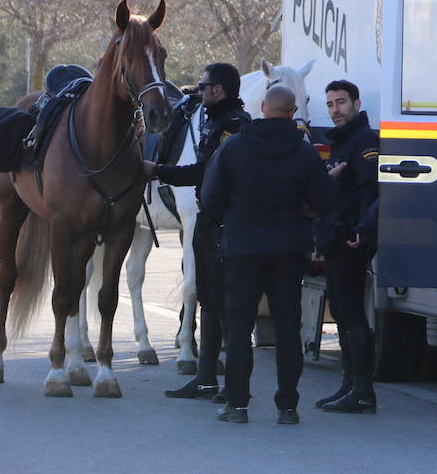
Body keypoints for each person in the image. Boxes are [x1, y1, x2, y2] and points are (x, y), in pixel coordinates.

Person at [201, 84, 332, 424]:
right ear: (292, 113)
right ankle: (287, 407)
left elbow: (210, 197)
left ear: (262, 107)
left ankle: (238, 404)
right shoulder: (304, 154)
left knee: (239, 327)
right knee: (288, 329)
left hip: (242, 247)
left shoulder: (234, 148)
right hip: (289, 248)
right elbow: (323, 202)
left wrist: (231, 219)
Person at [142, 62, 251, 401]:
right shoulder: (216, 120)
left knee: (227, 309)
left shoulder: (233, 126)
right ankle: (205, 379)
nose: (197, 91)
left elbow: (206, 170)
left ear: (217, 90)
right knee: (209, 300)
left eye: (202, 86)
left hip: (224, 226)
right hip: (209, 223)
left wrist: (158, 170)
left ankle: (234, 388)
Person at [313, 79, 381, 414]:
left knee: (352, 312)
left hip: (350, 237)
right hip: (334, 235)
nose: (335, 110)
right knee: (340, 310)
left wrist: (363, 230)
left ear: (355, 102)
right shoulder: (341, 140)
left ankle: (363, 390)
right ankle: (349, 383)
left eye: (340, 103)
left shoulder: (365, 140)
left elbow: (374, 191)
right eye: (330, 104)